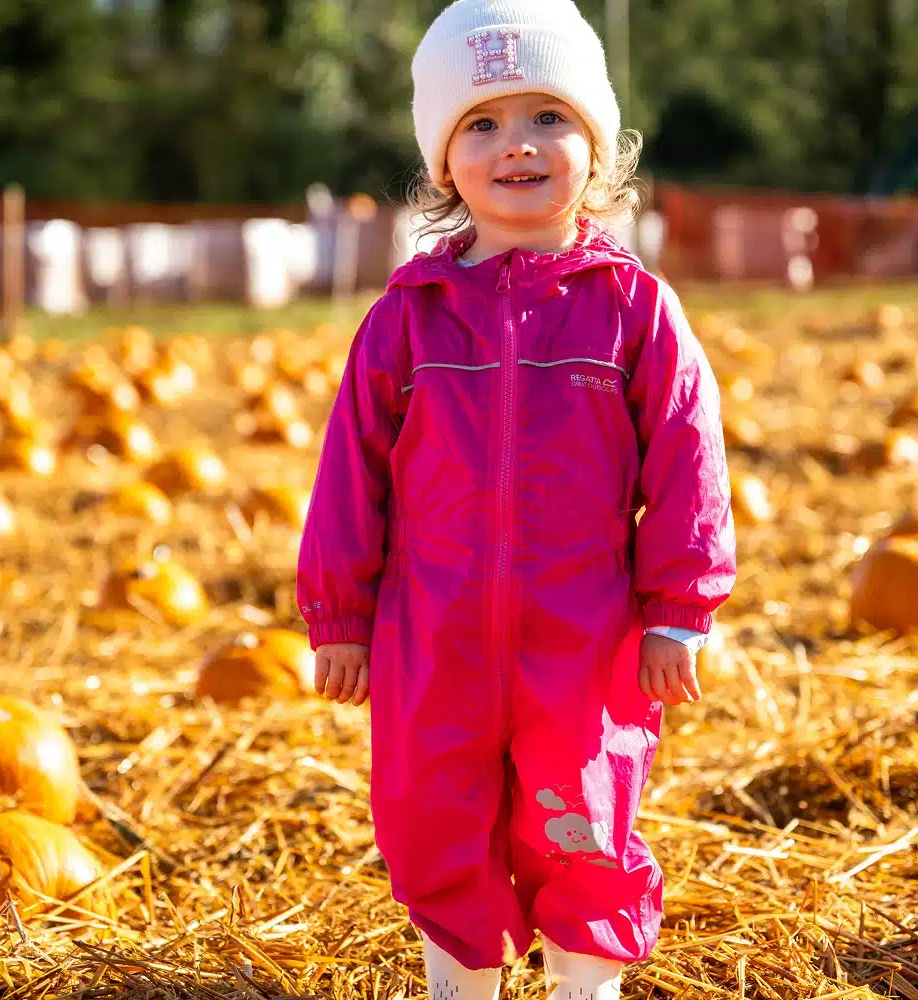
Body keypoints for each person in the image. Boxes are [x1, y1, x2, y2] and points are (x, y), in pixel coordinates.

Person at [296, 0, 737, 997]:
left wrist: (678, 609)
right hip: (431, 632)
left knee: (581, 821)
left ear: (596, 141)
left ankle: (583, 985)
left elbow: (684, 462)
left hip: (584, 641)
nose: (518, 146)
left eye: (549, 116)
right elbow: (351, 472)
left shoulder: (634, 308)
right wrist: (339, 613)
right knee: (432, 821)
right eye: (482, 124)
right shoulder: (405, 319)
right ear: (444, 159)